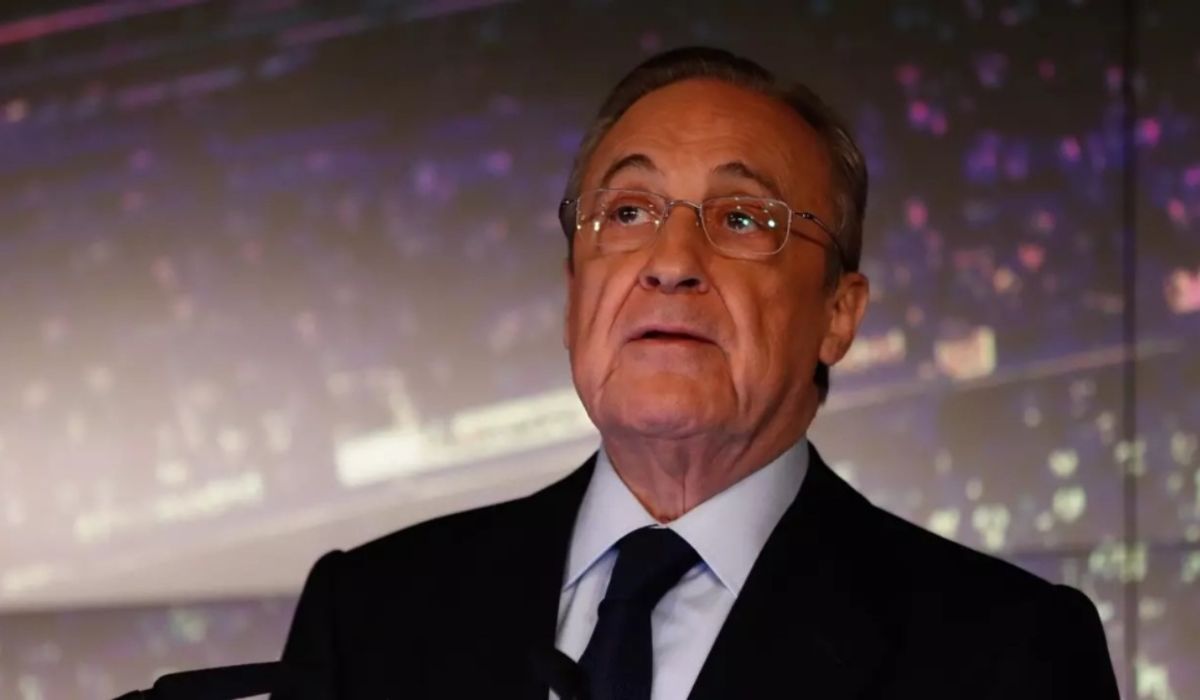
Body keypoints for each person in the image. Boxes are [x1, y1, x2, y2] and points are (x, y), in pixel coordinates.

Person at [276, 46, 1119, 700]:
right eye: (628, 211)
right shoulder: (370, 612)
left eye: (743, 218)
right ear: (573, 295)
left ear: (838, 313)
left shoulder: (1008, 652)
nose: (672, 261)